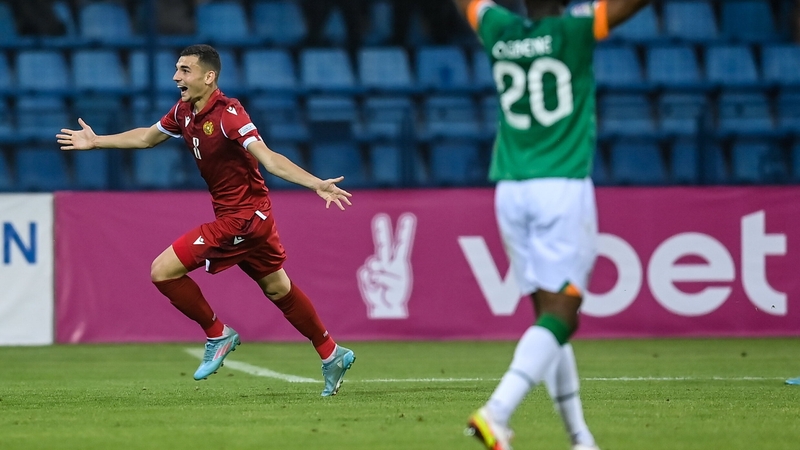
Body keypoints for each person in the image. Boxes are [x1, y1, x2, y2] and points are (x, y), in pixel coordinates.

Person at [56, 44, 356, 397]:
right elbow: (146, 138)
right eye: (177, 69)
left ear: (209, 77)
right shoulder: (184, 111)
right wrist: (97, 142)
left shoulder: (230, 115)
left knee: (162, 270)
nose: (176, 77)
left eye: (185, 70)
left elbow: (270, 159)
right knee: (278, 288)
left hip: (244, 219)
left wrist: (315, 182)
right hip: (245, 217)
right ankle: (331, 353)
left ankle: (218, 333)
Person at [452, 0, 649, 449]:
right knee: (564, 314)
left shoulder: (497, 26)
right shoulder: (576, 29)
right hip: (560, 185)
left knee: (546, 316)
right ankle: (496, 412)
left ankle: (580, 438)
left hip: (510, 188)